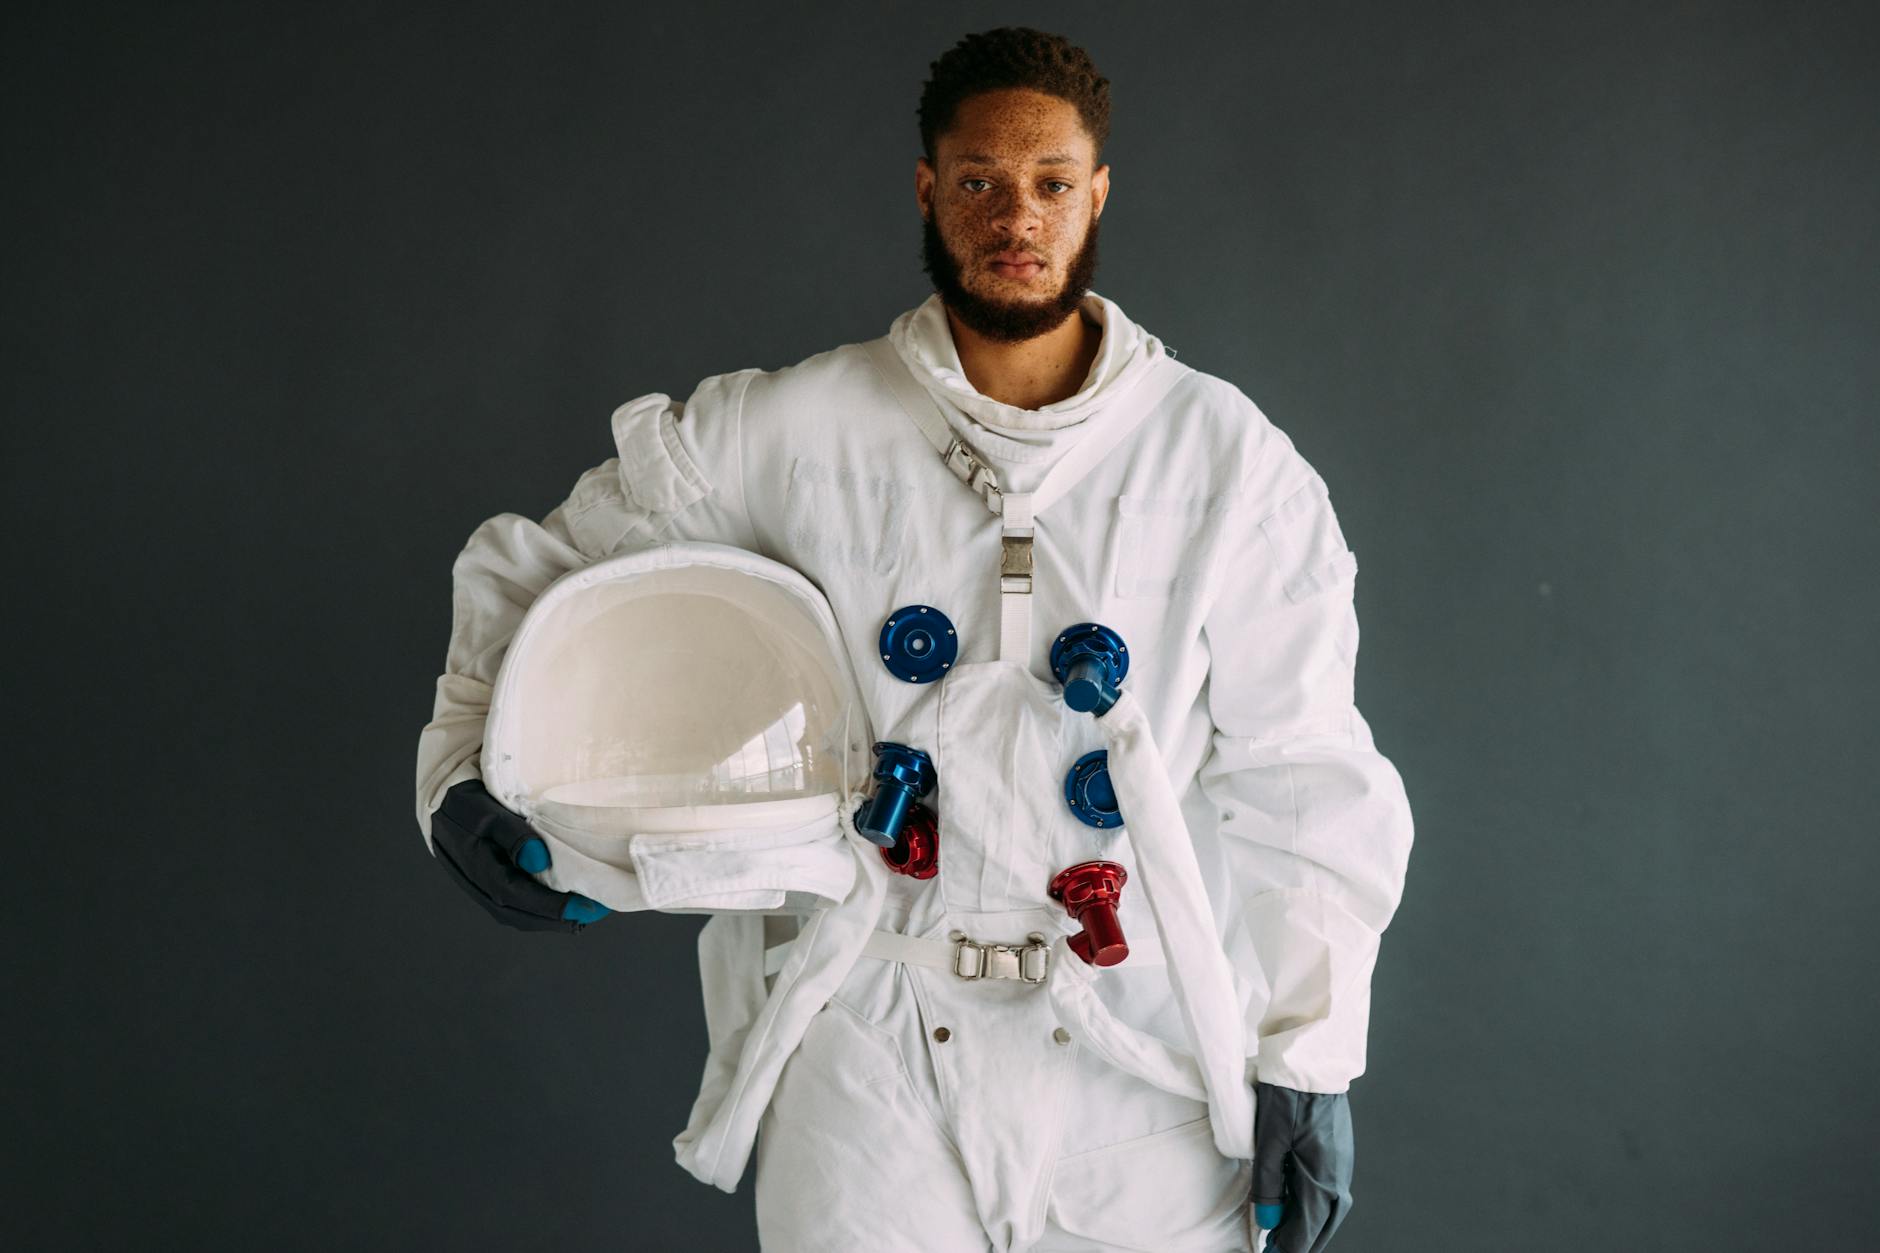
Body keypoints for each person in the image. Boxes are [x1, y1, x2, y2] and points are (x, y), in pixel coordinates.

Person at [414, 26, 1413, 1253]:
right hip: (871, 1039)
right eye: (981, 180)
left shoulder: (1223, 462)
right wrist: (460, 765)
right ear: (928, 188)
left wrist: (1309, 1052)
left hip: (1132, 1047)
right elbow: (545, 568)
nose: (1016, 215)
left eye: (1050, 182)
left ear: (1096, 193)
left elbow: (1303, 769)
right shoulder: (789, 427)